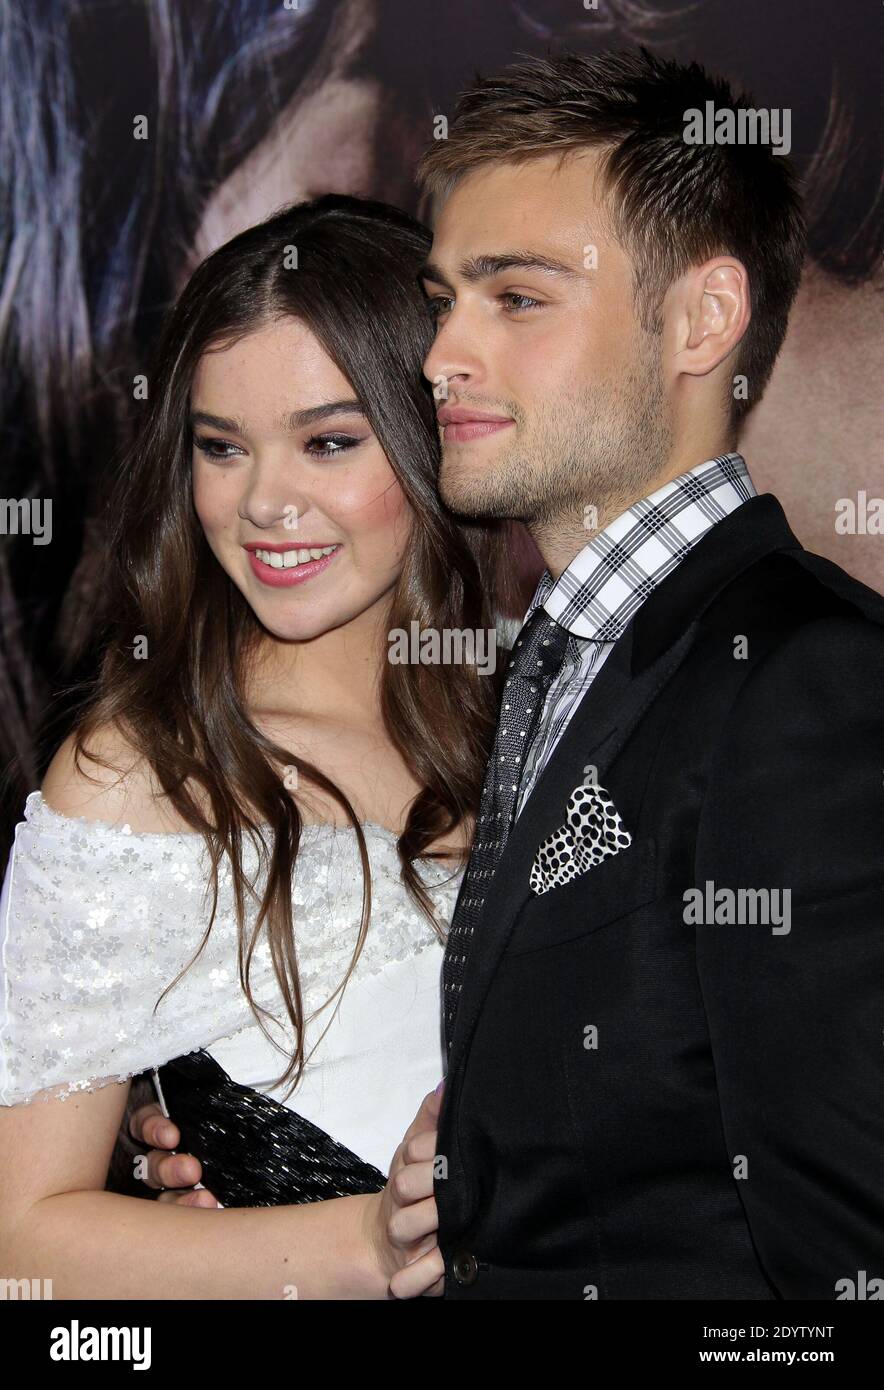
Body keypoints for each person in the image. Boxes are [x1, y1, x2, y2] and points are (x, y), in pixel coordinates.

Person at [409, 47, 882, 1298]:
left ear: (699, 320)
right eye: (442, 298)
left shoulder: (808, 683)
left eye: (513, 297)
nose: (440, 355)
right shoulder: (556, 662)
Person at [0, 194, 519, 1298]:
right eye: (220, 448)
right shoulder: (136, 774)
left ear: (435, 432)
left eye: (328, 441)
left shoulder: (533, 714)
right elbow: (23, 1245)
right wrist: (362, 1243)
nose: (264, 502)